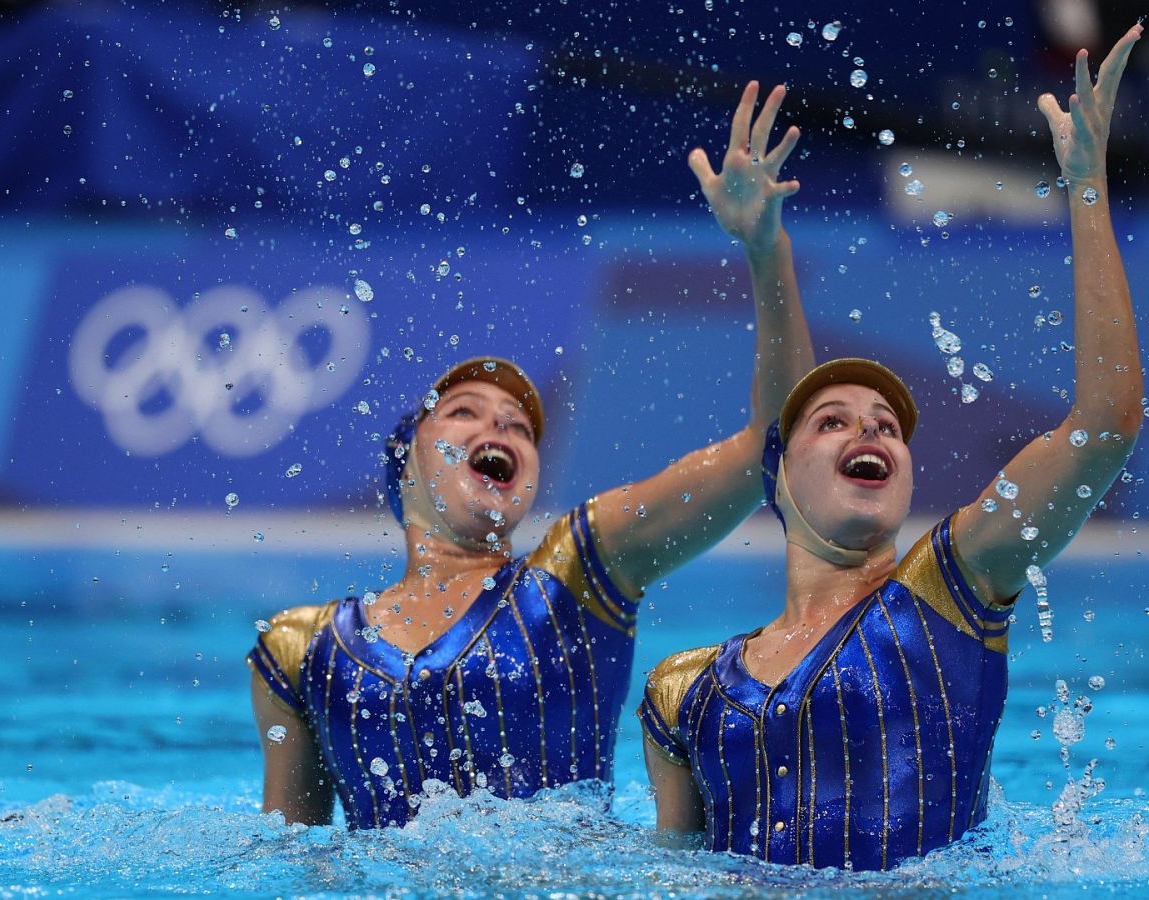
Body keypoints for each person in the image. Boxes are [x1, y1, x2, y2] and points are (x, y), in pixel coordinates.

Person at [638, 25, 1147, 870]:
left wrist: (1087, 188)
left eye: (887, 424)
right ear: (778, 476)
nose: (871, 428)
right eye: (831, 421)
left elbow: (1104, 428)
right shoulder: (681, 693)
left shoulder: (952, 590)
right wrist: (767, 248)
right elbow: (672, 874)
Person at [247, 82, 819, 828]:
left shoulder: (579, 578)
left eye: (520, 427)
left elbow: (777, 449)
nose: (502, 431)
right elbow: (295, 858)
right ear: (406, 463)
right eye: (464, 414)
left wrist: (764, 250)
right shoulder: (301, 650)